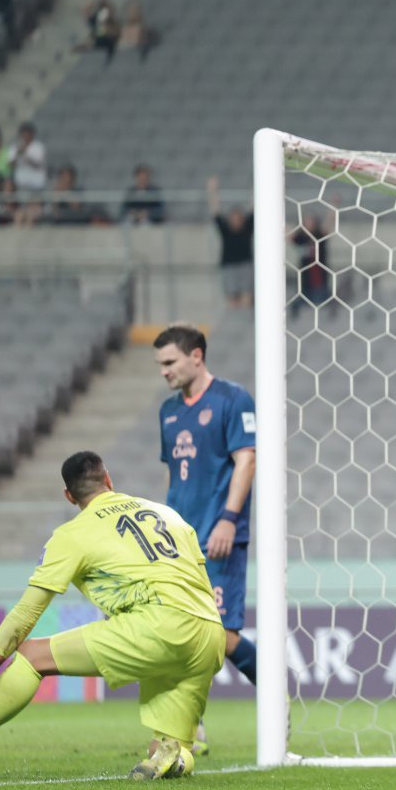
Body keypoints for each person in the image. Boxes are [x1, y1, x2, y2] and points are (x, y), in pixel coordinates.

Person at [0, 452, 224, 779]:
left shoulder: (73, 534)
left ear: (68, 495)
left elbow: (27, 611)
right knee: (165, 749)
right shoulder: (167, 514)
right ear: (108, 478)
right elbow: (198, 574)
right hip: (209, 632)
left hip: (159, 626)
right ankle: (176, 760)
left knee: (31, 655)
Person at [154, 325, 258, 756]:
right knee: (177, 631)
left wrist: (228, 519)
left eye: (170, 362)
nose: (164, 372)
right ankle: (189, 726)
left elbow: (247, 459)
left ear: (196, 356)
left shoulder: (233, 400)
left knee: (221, 635)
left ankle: (274, 695)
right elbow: (176, 476)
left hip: (219, 537)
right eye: (160, 365)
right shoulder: (169, 411)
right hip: (178, 541)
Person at [209, 176, 253, 307]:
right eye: (234, 218)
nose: (236, 220)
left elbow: (254, 206)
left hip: (245, 265)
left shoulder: (247, 228)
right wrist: (212, 190)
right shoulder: (225, 230)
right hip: (229, 266)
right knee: (231, 300)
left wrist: (256, 186)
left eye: (238, 217)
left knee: (247, 298)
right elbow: (215, 210)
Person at [290, 212, 332, 311]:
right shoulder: (300, 238)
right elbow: (287, 234)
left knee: (320, 309)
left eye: (311, 221)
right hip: (304, 280)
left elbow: (329, 224)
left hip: (319, 280)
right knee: (302, 307)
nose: (308, 223)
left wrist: (333, 207)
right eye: (306, 221)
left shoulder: (319, 236)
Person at [8, 122, 48, 194]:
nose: (25, 136)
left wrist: (25, 154)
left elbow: (38, 165)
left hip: (36, 184)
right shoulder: (15, 147)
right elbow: (11, 165)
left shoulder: (38, 147)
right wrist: (17, 154)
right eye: (23, 133)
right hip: (20, 184)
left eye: (27, 133)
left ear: (32, 134)